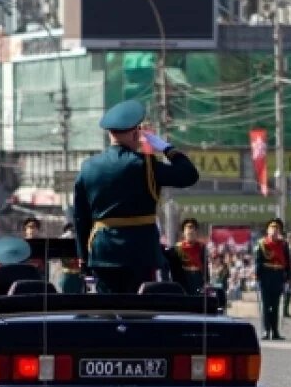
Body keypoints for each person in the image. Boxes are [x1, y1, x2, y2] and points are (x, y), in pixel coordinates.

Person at [72, 99, 199, 293]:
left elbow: (80, 218)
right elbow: (189, 175)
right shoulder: (146, 164)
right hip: (142, 251)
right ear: (135, 133)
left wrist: (83, 256)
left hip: (103, 251)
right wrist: (166, 148)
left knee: (108, 312)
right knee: (140, 312)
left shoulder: (88, 166)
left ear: (109, 133)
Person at [254, 218, 290, 340]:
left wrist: (288, 278)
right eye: (272, 228)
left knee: (275, 305)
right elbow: (258, 261)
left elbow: (287, 262)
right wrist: (257, 276)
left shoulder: (283, 244)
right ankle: (266, 330)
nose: (274, 230)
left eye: (277, 228)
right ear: (268, 230)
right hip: (266, 276)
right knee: (266, 305)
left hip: (278, 276)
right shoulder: (262, 244)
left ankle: (275, 331)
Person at [167, 218, 208, 294]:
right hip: (183, 279)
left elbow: (205, 267)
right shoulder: (177, 248)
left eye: (193, 228)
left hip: (197, 279)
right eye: (188, 228)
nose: (190, 231)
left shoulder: (202, 247)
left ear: (196, 232)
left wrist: (206, 282)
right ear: (183, 233)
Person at [59, 224, 85, 293]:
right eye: (70, 229)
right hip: (67, 274)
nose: (71, 231)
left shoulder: (78, 238)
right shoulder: (64, 238)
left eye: (73, 229)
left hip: (77, 275)